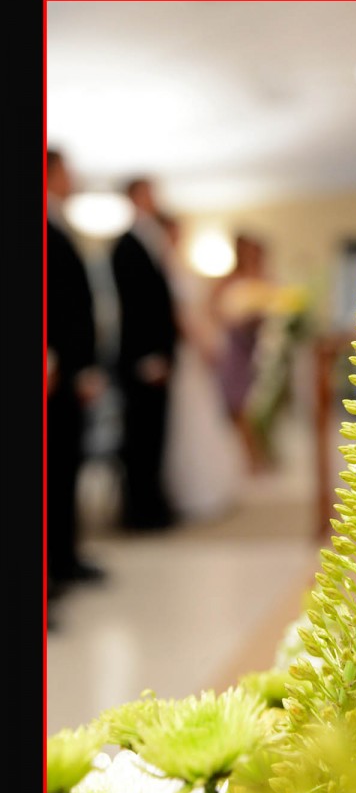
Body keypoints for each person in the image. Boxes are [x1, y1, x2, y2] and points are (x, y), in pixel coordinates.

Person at [46, 149, 106, 603]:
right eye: (66, 171)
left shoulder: (59, 223)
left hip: (67, 371)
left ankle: (63, 558)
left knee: (66, 468)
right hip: (53, 370)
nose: (73, 179)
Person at [157, 214, 243, 522]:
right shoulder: (163, 268)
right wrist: (203, 344)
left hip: (194, 353)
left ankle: (209, 488)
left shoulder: (180, 267)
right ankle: (189, 491)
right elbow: (180, 316)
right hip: (184, 352)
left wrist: (211, 339)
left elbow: (199, 310)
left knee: (204, 415)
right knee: (187, 419)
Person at [110, 179, 178, 530]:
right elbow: (136, 308)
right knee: (141, 438)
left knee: (154, 438)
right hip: (143, 360)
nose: (155, 199)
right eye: (149, 193)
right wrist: (149, 356)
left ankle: (152, 505)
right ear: (135, 197)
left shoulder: (151, 240)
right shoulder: (126, 245)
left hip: (157, 357)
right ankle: (140, 512)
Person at [208, 235, 274, 473]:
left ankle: (258, 456)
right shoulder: (227, 280)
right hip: (234, 347)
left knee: (256, 405)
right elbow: (213, 308)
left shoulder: (264, 279)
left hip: (259, 347)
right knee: (237, 405)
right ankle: (250, 458)